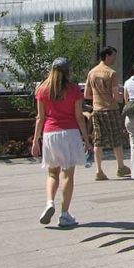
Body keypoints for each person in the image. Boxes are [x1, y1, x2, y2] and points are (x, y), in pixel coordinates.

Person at [32, 57, 91, 227]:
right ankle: (64, 214)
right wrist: (86, 140)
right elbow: (79, 117)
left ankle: (50, 202)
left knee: (52, 173)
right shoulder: (73, 90)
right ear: (68, 71)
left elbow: (40, 118)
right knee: (67, 174)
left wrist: (36, 141)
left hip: (50, 133)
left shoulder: (42, 89)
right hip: (70, 133)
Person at [85, 46, 129, 181]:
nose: (114, 58)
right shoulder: (111, 73)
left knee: (98, 140)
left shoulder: (91, 73)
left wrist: (99, 97)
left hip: (96, 109)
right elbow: (115, 96)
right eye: (113, 55)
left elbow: (87, 94)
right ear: (108, 56)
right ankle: (121, 167)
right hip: (110, 109)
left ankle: (99, 170)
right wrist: (122, 97)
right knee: (116, 138)